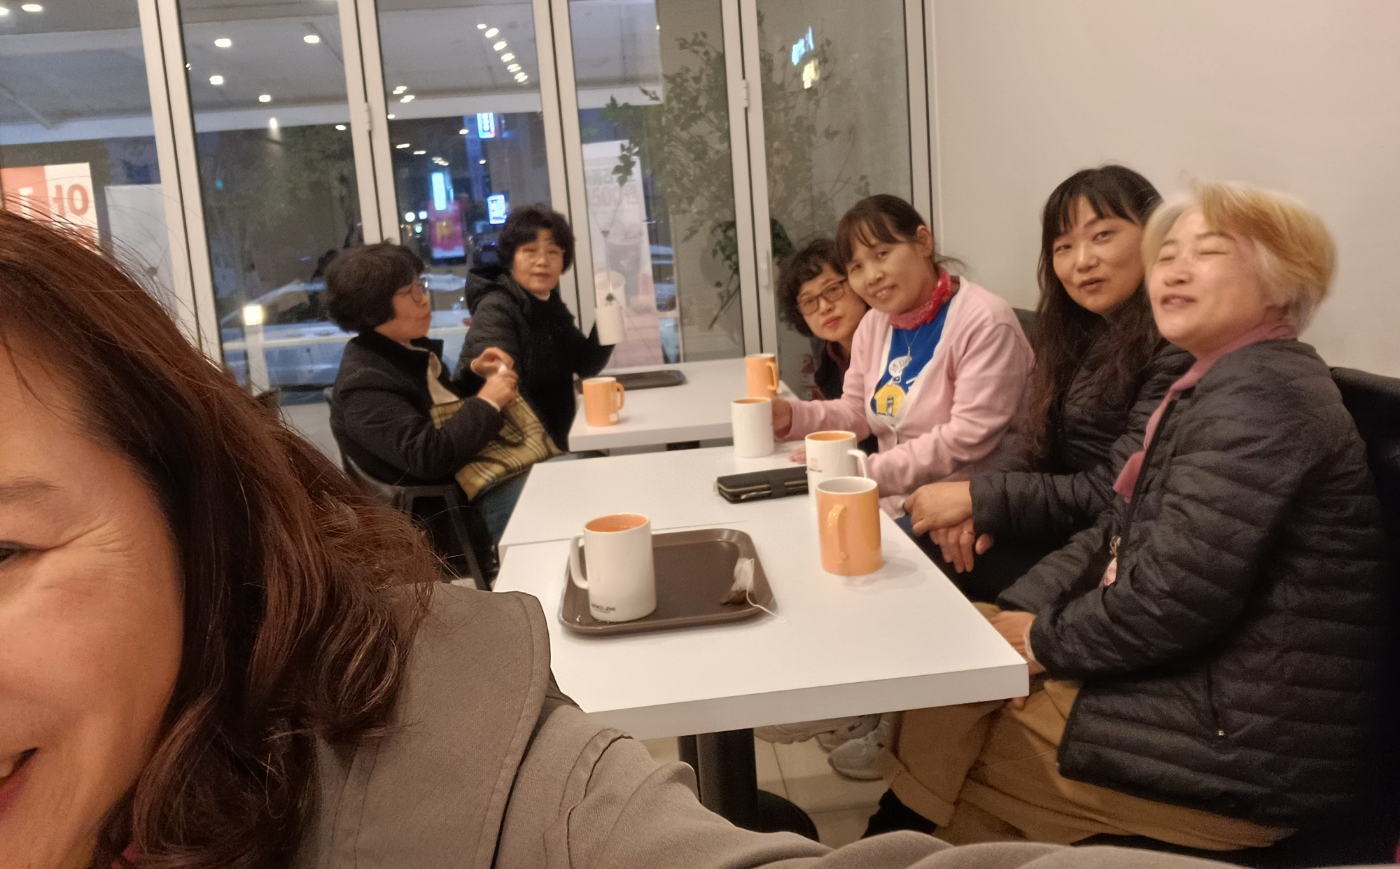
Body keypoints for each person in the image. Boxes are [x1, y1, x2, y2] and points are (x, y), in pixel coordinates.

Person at [0, 212, 1315, 869]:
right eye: (840, 277)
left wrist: (976, 542)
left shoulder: (447, 781)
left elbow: (1011, 469)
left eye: (5, 552)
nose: (854, 291)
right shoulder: (441, 352)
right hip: (507, 500)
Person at [876, 182, 1387, 851]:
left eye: (1206, 252)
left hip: (1243, 746)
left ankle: (901, 835)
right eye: (1166, 254)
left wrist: (1042, 642)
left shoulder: (1261, 398)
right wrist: (1021, 620)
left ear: (1282, 277)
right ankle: (912, 835)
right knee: (961, 653)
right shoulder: (1214, 383)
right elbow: (1112, 529)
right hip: (1201, 688)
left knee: (957, 723)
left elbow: (1173, 598)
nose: (1172, 269)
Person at [905, 166, 1193, 603]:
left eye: (1102, 235)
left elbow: (1119, 489)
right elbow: (1036, 445)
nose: (1082, 261)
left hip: (1115, 547)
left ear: (1157, 235)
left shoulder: (1177, 344)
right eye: (1063, 246)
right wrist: (975, 508)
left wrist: (980, 498)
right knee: (917, 543)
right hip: (1064, 522)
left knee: (914, 557)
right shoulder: (1080, 333)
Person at [772, 195, 1034, 520]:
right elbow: (856, 411)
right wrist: (791, 416)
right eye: (856, 268)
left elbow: (966, 437)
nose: (872, 276)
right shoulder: (875, 323)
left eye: (881, 254)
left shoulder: (984, 320)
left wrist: (863, 473)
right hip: (893, 503)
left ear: (923, 241)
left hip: (966, 510)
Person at [323, 243, 526, 544]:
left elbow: (448, 413)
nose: (423, 300)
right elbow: (430, 456)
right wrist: (488, 401)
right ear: (373, 305)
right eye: (410, 292)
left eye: (421, 286)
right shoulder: (364, 384)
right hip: (448, 514)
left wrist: (476, 376)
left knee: (566, 474)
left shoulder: (404, 351)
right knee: (558, 487)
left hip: (478, 480)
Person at [461, 204, 612, 451]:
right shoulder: (497, 307)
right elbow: (511, 395)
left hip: (554, 443)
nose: (542, 261)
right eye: (529, 251)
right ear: (510, 259)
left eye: (553, 252)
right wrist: (556, 451)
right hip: (518, 451)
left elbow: (585, 364)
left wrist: (609, 313)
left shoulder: (547, 302)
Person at [777, 238, 877, 452]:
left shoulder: (892, 341)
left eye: (832, 290)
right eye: (809, 302)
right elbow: (851, 418)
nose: (824, 308)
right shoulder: (826, 351)